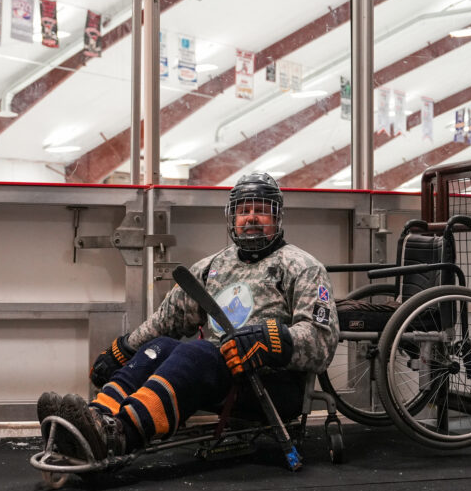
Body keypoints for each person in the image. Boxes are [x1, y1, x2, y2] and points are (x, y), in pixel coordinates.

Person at [36, 172, 339, 462]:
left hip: (272, 387)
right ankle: (93, 421)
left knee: (200, 351)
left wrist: (274, 339)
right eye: (243, 211)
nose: (251, 219)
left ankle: (121, 434)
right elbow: (168, 319)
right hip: (217, 375)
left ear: (277, 217)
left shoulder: (302, 267)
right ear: (232, 218)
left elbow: (322, 339)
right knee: (165, 347)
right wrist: (124, 348)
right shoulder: (212, 267)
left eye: (261, 211)